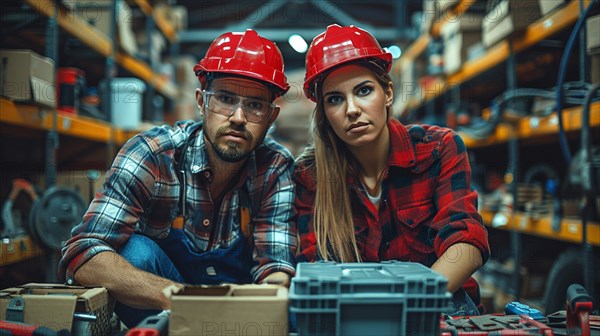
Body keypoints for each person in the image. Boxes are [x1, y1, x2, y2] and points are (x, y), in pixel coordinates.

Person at [59, 29, 297, 327]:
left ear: (271, 117)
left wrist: (259, 311)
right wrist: (184, 300)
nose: (238, 117)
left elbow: (274, 265)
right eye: (225, 98)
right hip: (163, 310)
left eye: (254, 105)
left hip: (238, 316)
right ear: (201, 102)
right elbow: (82, 252)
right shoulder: (152, 155)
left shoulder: (275, 167)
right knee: (135, 253)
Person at [294, 24, 490, 315]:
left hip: (437, 308)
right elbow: (314, 268)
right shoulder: (310, 176)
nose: (351, 109)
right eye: (335, 99)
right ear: (324, 112)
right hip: (352, 314)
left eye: (363, 90)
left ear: (387, 93)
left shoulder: (439, 149)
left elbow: (465, 244)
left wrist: (408, 307)